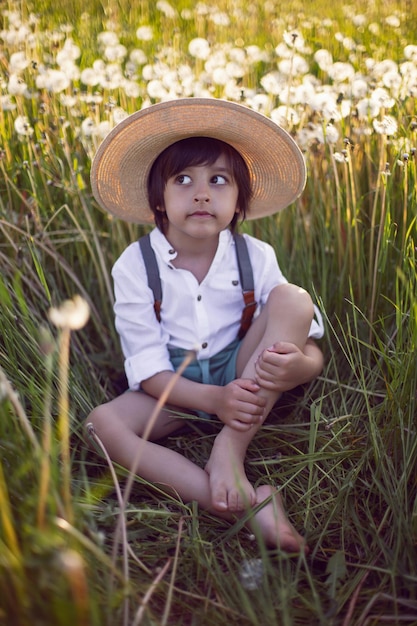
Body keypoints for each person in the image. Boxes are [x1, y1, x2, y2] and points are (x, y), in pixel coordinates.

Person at [87, 98, 324, 553]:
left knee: (292, 298)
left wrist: (303, 368)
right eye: (183, 180)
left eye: (218, 180)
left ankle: (230, 449)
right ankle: (239, 502)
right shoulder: (135, 266)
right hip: (170, 386)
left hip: (242, 370)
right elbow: (148, 368)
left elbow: (305, 339)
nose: (201, 193)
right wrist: (212, 399)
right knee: (101, 426)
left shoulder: (255, 256)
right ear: (158, 198)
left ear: (239, 201)